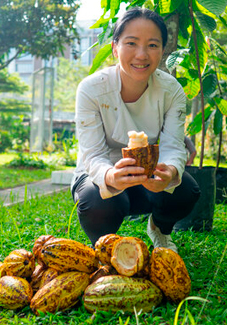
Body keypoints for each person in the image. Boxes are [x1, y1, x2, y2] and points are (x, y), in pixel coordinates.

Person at [72, 7, 201, 253]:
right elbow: (92, 155)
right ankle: (103, 245)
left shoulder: (171, 91)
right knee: (96, 201)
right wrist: (110, 176)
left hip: (150, 177)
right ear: (114, 47)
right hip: (102, 176)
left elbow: (174, 145)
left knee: (187, 190)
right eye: (131, 43)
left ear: (163, 50)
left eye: (153, 45)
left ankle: (160, 230)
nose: (141, 55)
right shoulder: (91, 89)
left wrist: (170, 171)